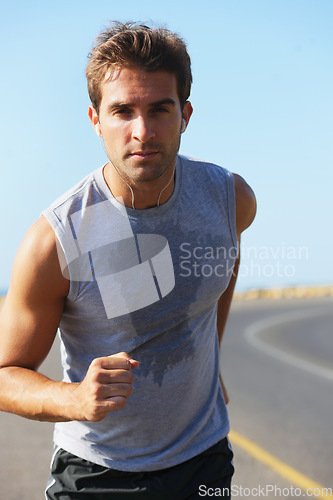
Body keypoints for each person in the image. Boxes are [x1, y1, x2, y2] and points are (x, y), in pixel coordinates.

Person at [0, 21, 256, 499]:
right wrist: (75, 398)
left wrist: (212, 356)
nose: (143, 131)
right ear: (96, 120)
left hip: (204, 460)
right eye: (123, 111)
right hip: (98, 473)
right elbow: (5, 374)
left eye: (160, 109)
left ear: (185, 114)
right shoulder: (54, 240)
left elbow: (224, 262)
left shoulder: (229, 199)